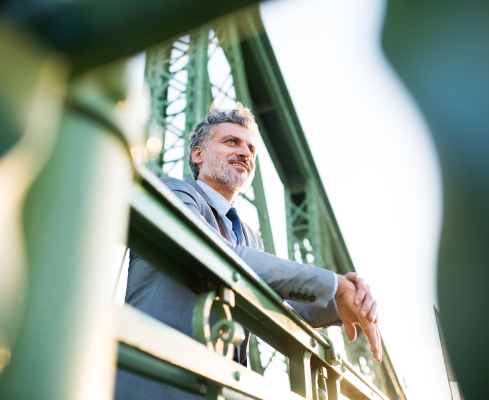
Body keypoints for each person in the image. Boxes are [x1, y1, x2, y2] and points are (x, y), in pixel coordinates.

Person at [115, 103, 380, 399]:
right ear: (198, 154)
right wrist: (331, 283)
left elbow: (276, 308)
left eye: (251, 149)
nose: (245, 153)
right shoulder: (174, 193)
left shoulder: (253, 239)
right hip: (153, 379)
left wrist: (334, 303)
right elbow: (217, 253)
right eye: (231, 142)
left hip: (221, 389)